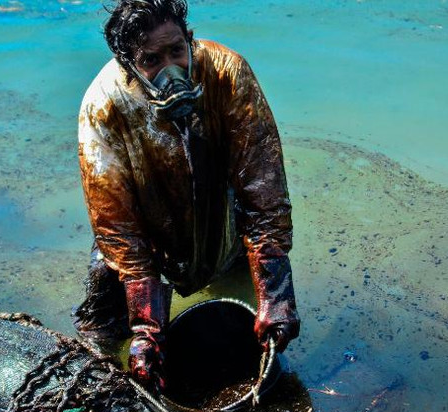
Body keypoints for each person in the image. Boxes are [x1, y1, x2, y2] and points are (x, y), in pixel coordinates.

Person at [73, 0, 299, 390]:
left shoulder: (228, 74)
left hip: (221, 221)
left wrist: (277, 294)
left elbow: (263, 187)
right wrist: (147, 329)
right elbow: (116, 224)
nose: (170, 69)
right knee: (103, 343)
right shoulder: (102, 106)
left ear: (189, 41)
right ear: (128, 65)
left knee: (252, 321)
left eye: (177, 51)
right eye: (151, 59)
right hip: (143, 236)